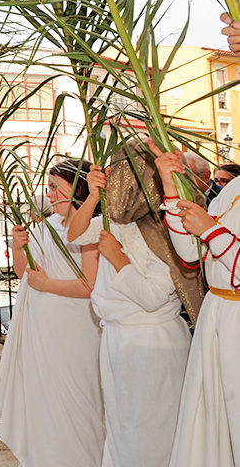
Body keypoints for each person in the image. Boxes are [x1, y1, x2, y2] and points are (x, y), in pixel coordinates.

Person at [66, 142, 193, 466]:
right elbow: (75, 234)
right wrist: (93, 196)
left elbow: (152, 297)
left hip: (151, 344)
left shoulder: (165, 230)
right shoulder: (117, 223)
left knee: (150, 434)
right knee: (122, 430)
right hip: (119, 340)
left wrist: (118, 259)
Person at [0, 159, 104, 467]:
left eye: (56, 187)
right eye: (49, 187)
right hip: (41, 331)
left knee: (78, 406)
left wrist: (47, 284)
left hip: (76, 330)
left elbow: (91, 286)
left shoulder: (92, 227)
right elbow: (24, 272)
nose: (50, 193)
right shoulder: (46, 226)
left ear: (78, 188)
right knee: (44, 406)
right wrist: (17, 247)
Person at [153, 118, 240, 466]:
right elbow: (191, 252)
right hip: (217, 315)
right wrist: (169, 185)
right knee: (211, 426)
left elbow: (212, 237)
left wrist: (211, 229)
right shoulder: (234, 191)